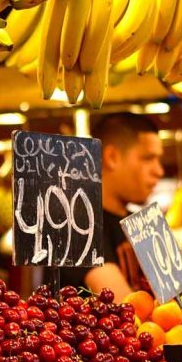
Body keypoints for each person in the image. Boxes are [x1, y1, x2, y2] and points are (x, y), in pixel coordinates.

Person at [62, 113, 165, 298]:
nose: (159, 171)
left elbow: (178, 300)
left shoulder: (142, 223)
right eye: (148, 158)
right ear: (112, 157)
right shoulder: (77, 224)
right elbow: (124, 308)